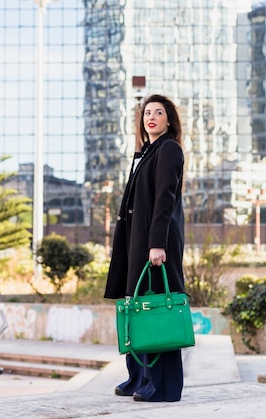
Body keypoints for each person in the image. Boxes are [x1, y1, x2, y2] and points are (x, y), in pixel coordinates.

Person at [104, 94, 185, 402]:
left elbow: (165, 198)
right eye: (147, 112)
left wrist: (157, 244)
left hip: (154, 246)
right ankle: (139, 376)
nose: (151, 116)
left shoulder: (169, 149)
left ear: (169, 120)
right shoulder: (147, 152)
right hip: (135, 244)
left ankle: (163, 385)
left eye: (158, 112)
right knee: (135, 308)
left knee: (156, 309)